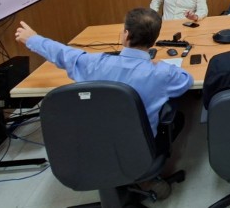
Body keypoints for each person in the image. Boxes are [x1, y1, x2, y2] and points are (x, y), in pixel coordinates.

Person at [14, 8, 194, 137]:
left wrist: (33, 39)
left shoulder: (94, 64)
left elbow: (63, 54)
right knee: (177, 117)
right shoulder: (162, 73)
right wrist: (161, 64)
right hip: (139, 149)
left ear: (126, 34)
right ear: (154, 40)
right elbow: (187, 80)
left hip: (97, 142)